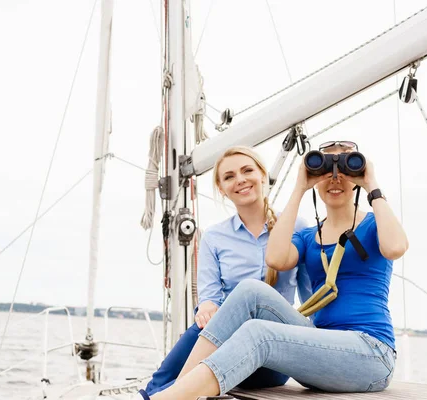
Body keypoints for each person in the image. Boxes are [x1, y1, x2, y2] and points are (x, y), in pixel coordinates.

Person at [141, 140, 408, 400]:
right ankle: (179, 393)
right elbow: (276, 258)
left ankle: (169, 398)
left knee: (259, 332)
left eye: (345, 171)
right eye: (327, 172)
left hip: (371, 353)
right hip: (321, 346)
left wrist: (371, 183)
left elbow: (396, 247)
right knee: (250, 290)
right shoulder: (306, 235)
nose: (336, 179)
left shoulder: (375, 224)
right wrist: (300, 187)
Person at [141, 146, 310, 396]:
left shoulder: (296, 227)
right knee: (208, 323)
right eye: (229, 176)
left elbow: (311, 295)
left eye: (247, 170)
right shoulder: (215, 237)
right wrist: (207, 306)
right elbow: (209, 297)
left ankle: (152, 396)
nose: (240, 180)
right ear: (222, 188)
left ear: (263, 175)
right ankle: (151, 394)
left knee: (234, 314)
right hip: (224, 344)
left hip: (272, 354)